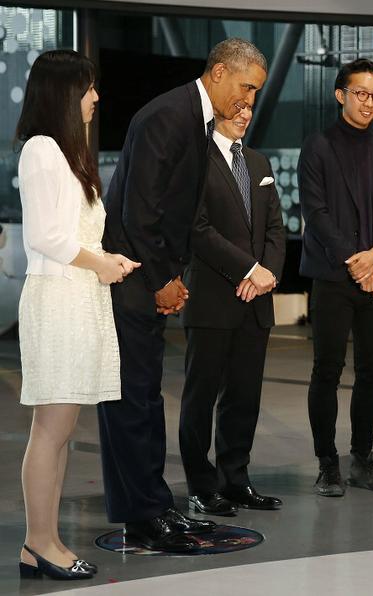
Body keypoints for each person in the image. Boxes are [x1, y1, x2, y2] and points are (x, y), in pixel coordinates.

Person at [98, 38, 267, 551]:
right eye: (245, 88)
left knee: (146, 397)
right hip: (132, 278)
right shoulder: (169, 116)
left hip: (146, 276)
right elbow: (139, 211)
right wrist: (162, 280)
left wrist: (171, 277)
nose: (249, 102)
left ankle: (153, 508)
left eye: (256, 92)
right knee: (133, 400)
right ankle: (144, 515)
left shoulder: (194, 120)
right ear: (218, 73)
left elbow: (175, 214)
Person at [15, 50, 140, 580]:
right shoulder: (42, 149)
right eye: (88, 87)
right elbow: (46, 237)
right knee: (51, 428)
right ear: (65, 92)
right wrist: (102, 263)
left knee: (60, 429)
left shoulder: (64, 153)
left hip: (77, 295)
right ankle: (40, 542)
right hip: (59, 298)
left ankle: (41, 542)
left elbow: (73, 235)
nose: (96, 97)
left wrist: (106, 261)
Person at [298, 58, 373, 497]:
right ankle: (328, 463)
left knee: (372, 371)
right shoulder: (318, 146)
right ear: (340, 94)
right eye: (360, 93)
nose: (369, 102)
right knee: (327, 369)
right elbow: (316, 214)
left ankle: (363, 458)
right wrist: (356, 263)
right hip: (333, 277)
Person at [179, 105, 286, 516]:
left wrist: (268, 274)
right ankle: (200, 488)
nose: (245, 113)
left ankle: (235, 481)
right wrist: (249, 268)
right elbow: (197, 229)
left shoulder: (257, 161)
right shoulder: (196, 159)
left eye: (251, 106)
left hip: (257, 299)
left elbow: (275, 227)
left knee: (244, 397)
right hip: (211, 298)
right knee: (200, 398)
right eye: (238, 105)